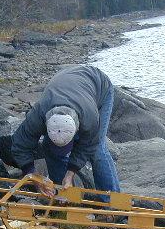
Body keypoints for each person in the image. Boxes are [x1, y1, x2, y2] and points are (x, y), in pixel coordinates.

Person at [10, 65, 120, 198]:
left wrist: (70, 173)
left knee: (98, 150)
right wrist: (33, 176)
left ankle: (111, 202)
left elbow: (89, 144)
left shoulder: (89, 116)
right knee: (49, 148)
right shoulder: (38, 114)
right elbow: (20, 145)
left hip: (99, 85)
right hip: (67, 82)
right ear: (46, 124)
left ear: (78, 127)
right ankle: (63, 194)